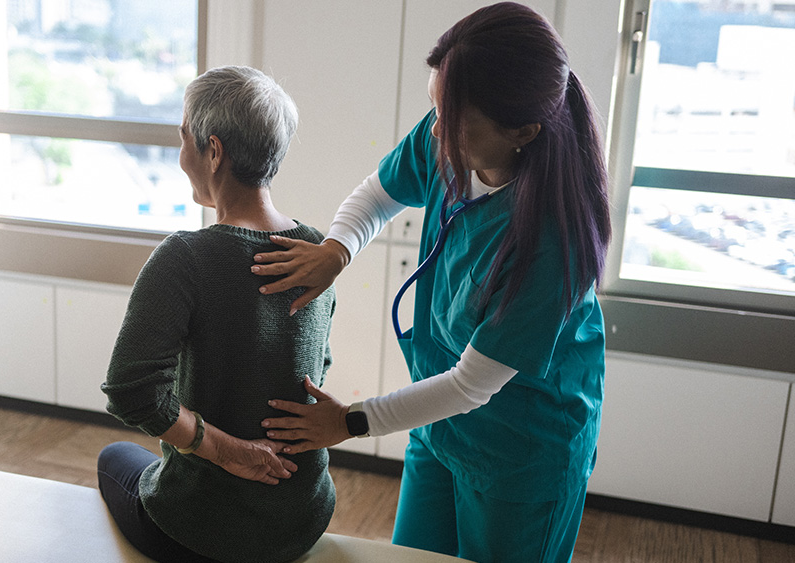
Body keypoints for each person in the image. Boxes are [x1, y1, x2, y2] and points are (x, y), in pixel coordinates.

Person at [250, 4, 611, 562]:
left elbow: (472, 386)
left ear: (523, 131)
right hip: (440, 426)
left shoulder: (552, 242)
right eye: (434, 107)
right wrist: (335, 250)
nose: (436, 129)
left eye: (454, 119)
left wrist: (347, 422)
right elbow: (378, 191)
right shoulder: (454, 132)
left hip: (520, 448)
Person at [97, 65, 337, 563]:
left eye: (183, 135)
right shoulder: (315, 253)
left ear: (213, 151)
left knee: (113, 458)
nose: (179, 151)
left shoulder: (186, 257)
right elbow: (318, 367)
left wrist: (225, 450)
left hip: (204, 532)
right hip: (302, 518)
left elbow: (130, 390)